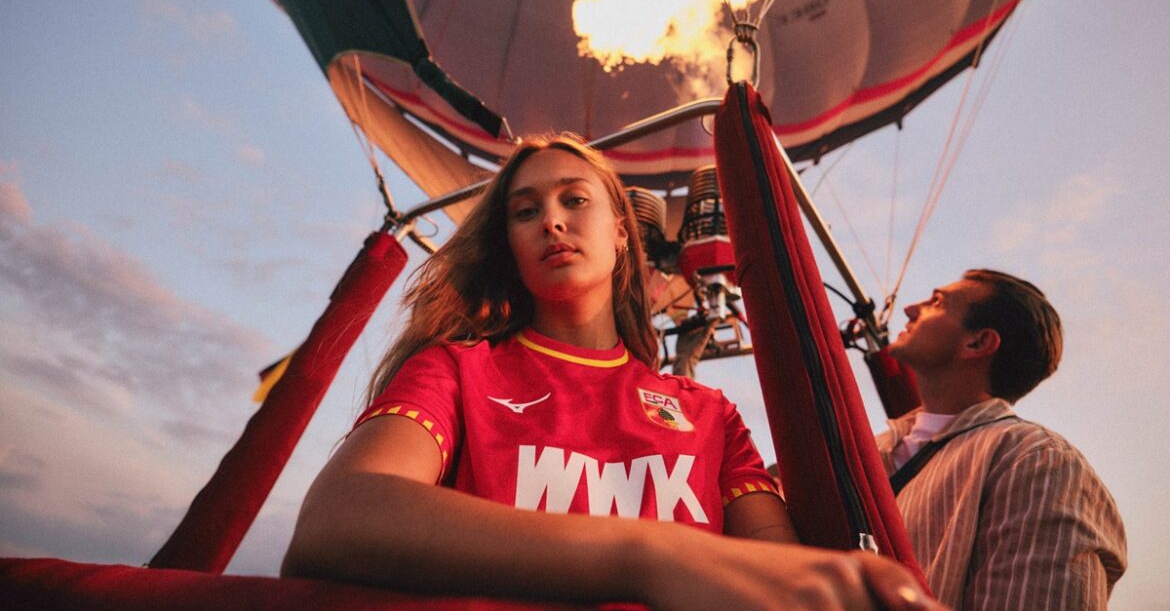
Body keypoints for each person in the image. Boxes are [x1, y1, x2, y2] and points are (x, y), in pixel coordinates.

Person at [282, 134, 940, 610]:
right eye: (525, 211)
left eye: (574, 199)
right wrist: (646, 556)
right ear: (509, 246)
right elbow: (338, 515)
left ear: (623, 231)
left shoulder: (709, 414)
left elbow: (779, 570)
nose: (552, 220)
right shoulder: (457, 370)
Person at [876, 270, 1127, 609]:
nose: (909, 309)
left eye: (936, 302)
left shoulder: (1038, 462)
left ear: (978, 342)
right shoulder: (863, 449)